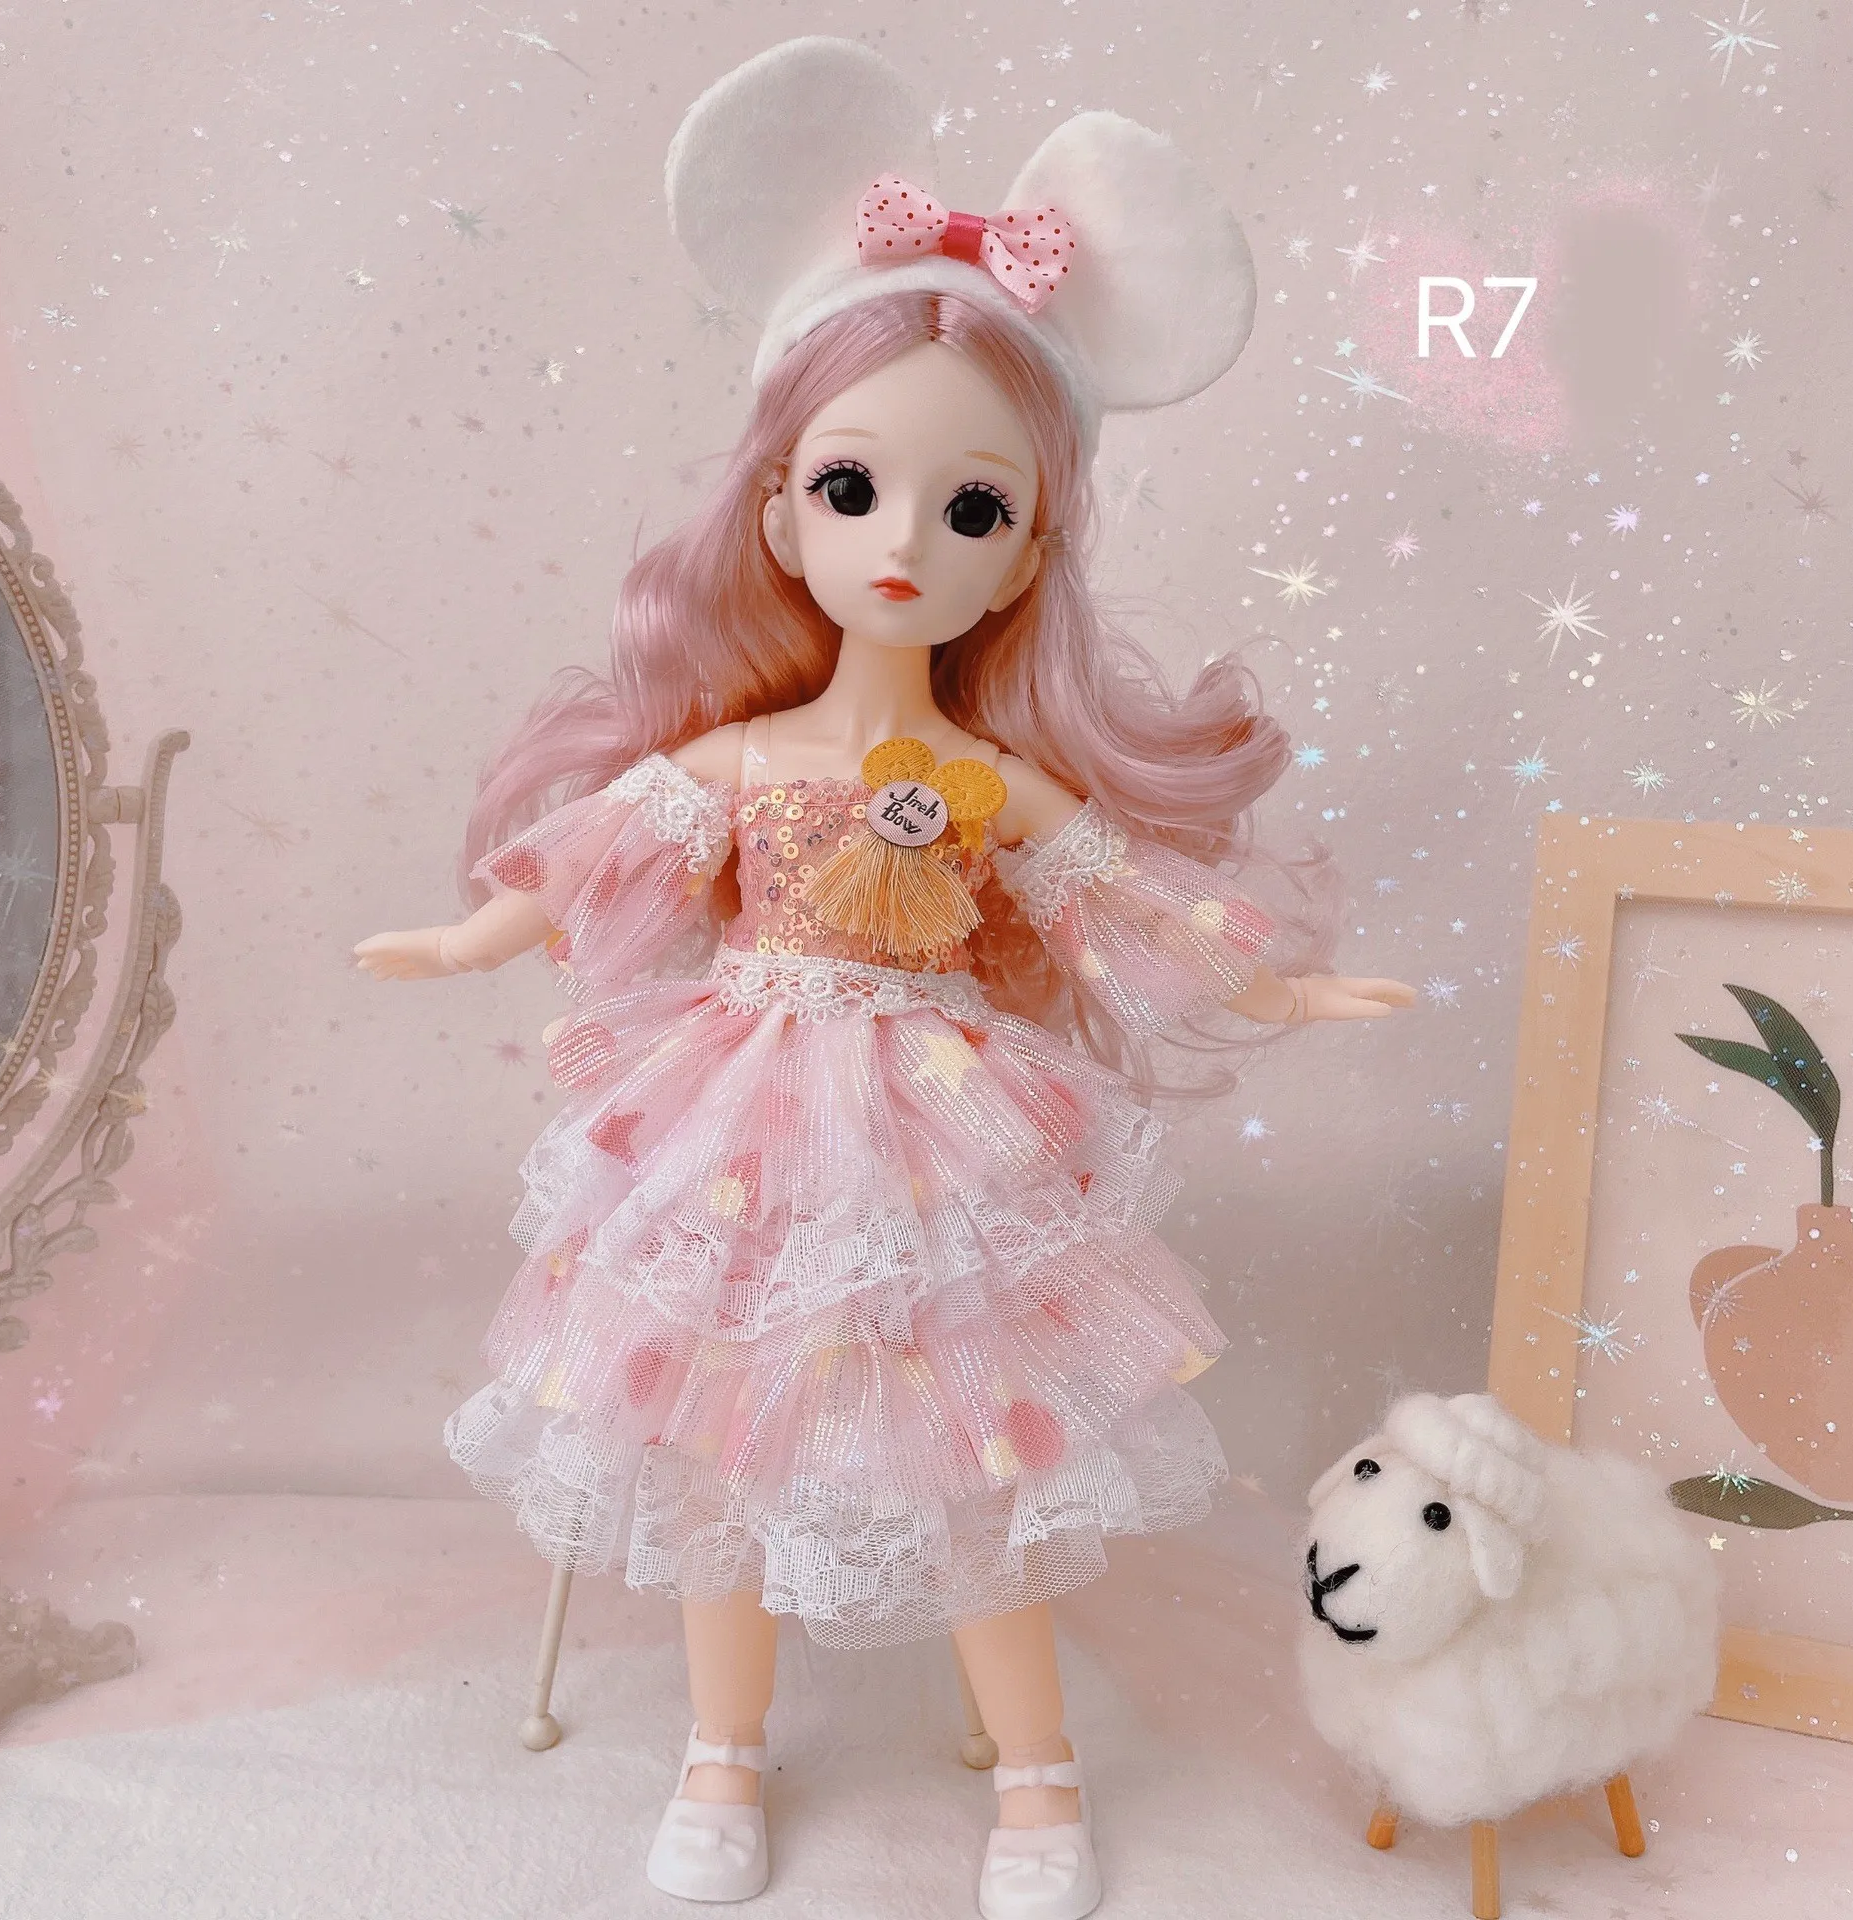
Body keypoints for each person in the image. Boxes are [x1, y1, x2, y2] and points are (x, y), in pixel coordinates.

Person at [355, 38, 1413, 1920]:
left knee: (981, 1451)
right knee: (720, 1436)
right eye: (856, 490)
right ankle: (721, 1753)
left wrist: (1280, 990)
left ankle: (1039, 1779)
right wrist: (464, 937)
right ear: (783, 514)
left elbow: (1120, 899)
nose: (906, 544)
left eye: (970, 510)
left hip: (936, 1127)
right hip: (742, 1116)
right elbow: (597, 848)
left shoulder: (992, 779)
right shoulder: (749, 759)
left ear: (1026, 556)